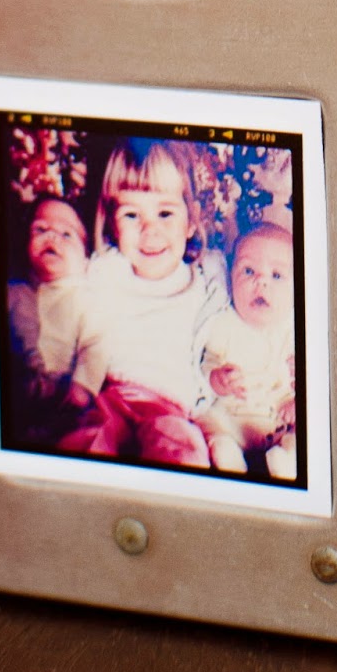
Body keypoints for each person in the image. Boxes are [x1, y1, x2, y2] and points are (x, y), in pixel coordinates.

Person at [60, 138, 226, 468]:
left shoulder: (207, 280)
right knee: (86, 440)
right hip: (112, 396)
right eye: (132, 215)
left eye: (165, 213)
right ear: (112, 222)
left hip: (171, 409)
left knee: (184, 450)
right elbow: (66, 293)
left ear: (191, 221)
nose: (150, 230)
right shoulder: (106, 271)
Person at [193, 224, 298, 481]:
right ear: (231, 278)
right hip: (232, 418)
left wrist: (298, 400)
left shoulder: (294, 328)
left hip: (278, 421)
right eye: (248, 271)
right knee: (207, 421)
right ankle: (227, 456)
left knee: (306, 432)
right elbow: (206, 364)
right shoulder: (224, 323)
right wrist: (219, 379)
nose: (261, 282)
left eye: (277, 275)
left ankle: (286, 462)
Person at [4, 196, 91, 443]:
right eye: (40, 229)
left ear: (85, 258)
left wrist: (84, 386)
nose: (52, 237)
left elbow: (96, 343)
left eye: (66, 234)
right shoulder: (16, 292)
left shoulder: (86, 296)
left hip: (67, 395)